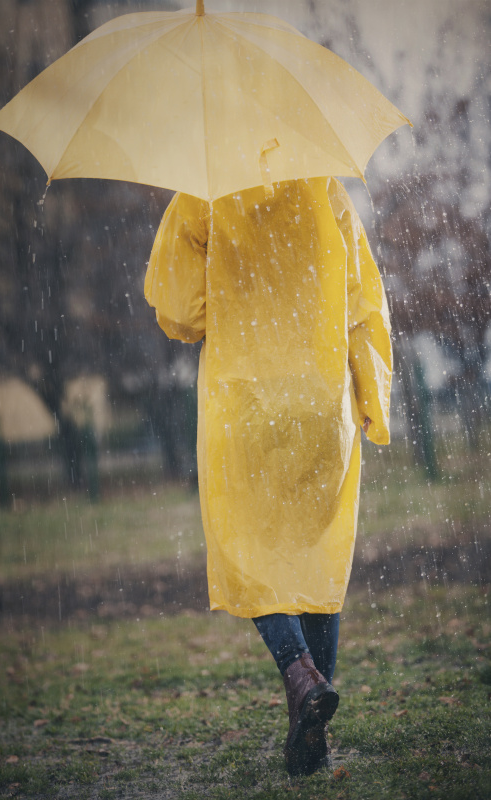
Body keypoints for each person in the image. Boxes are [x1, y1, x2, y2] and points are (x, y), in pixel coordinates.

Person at [144, 176, 392, 775]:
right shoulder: (324, 188)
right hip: (319, 396)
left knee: (246, 547)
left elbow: (180, 313)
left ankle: (301, 678)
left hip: (244, 400)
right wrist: (370, 397)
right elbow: (363, 302)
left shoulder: (200, 192)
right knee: (315, 556)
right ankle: (313, 728)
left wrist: (228, 295)